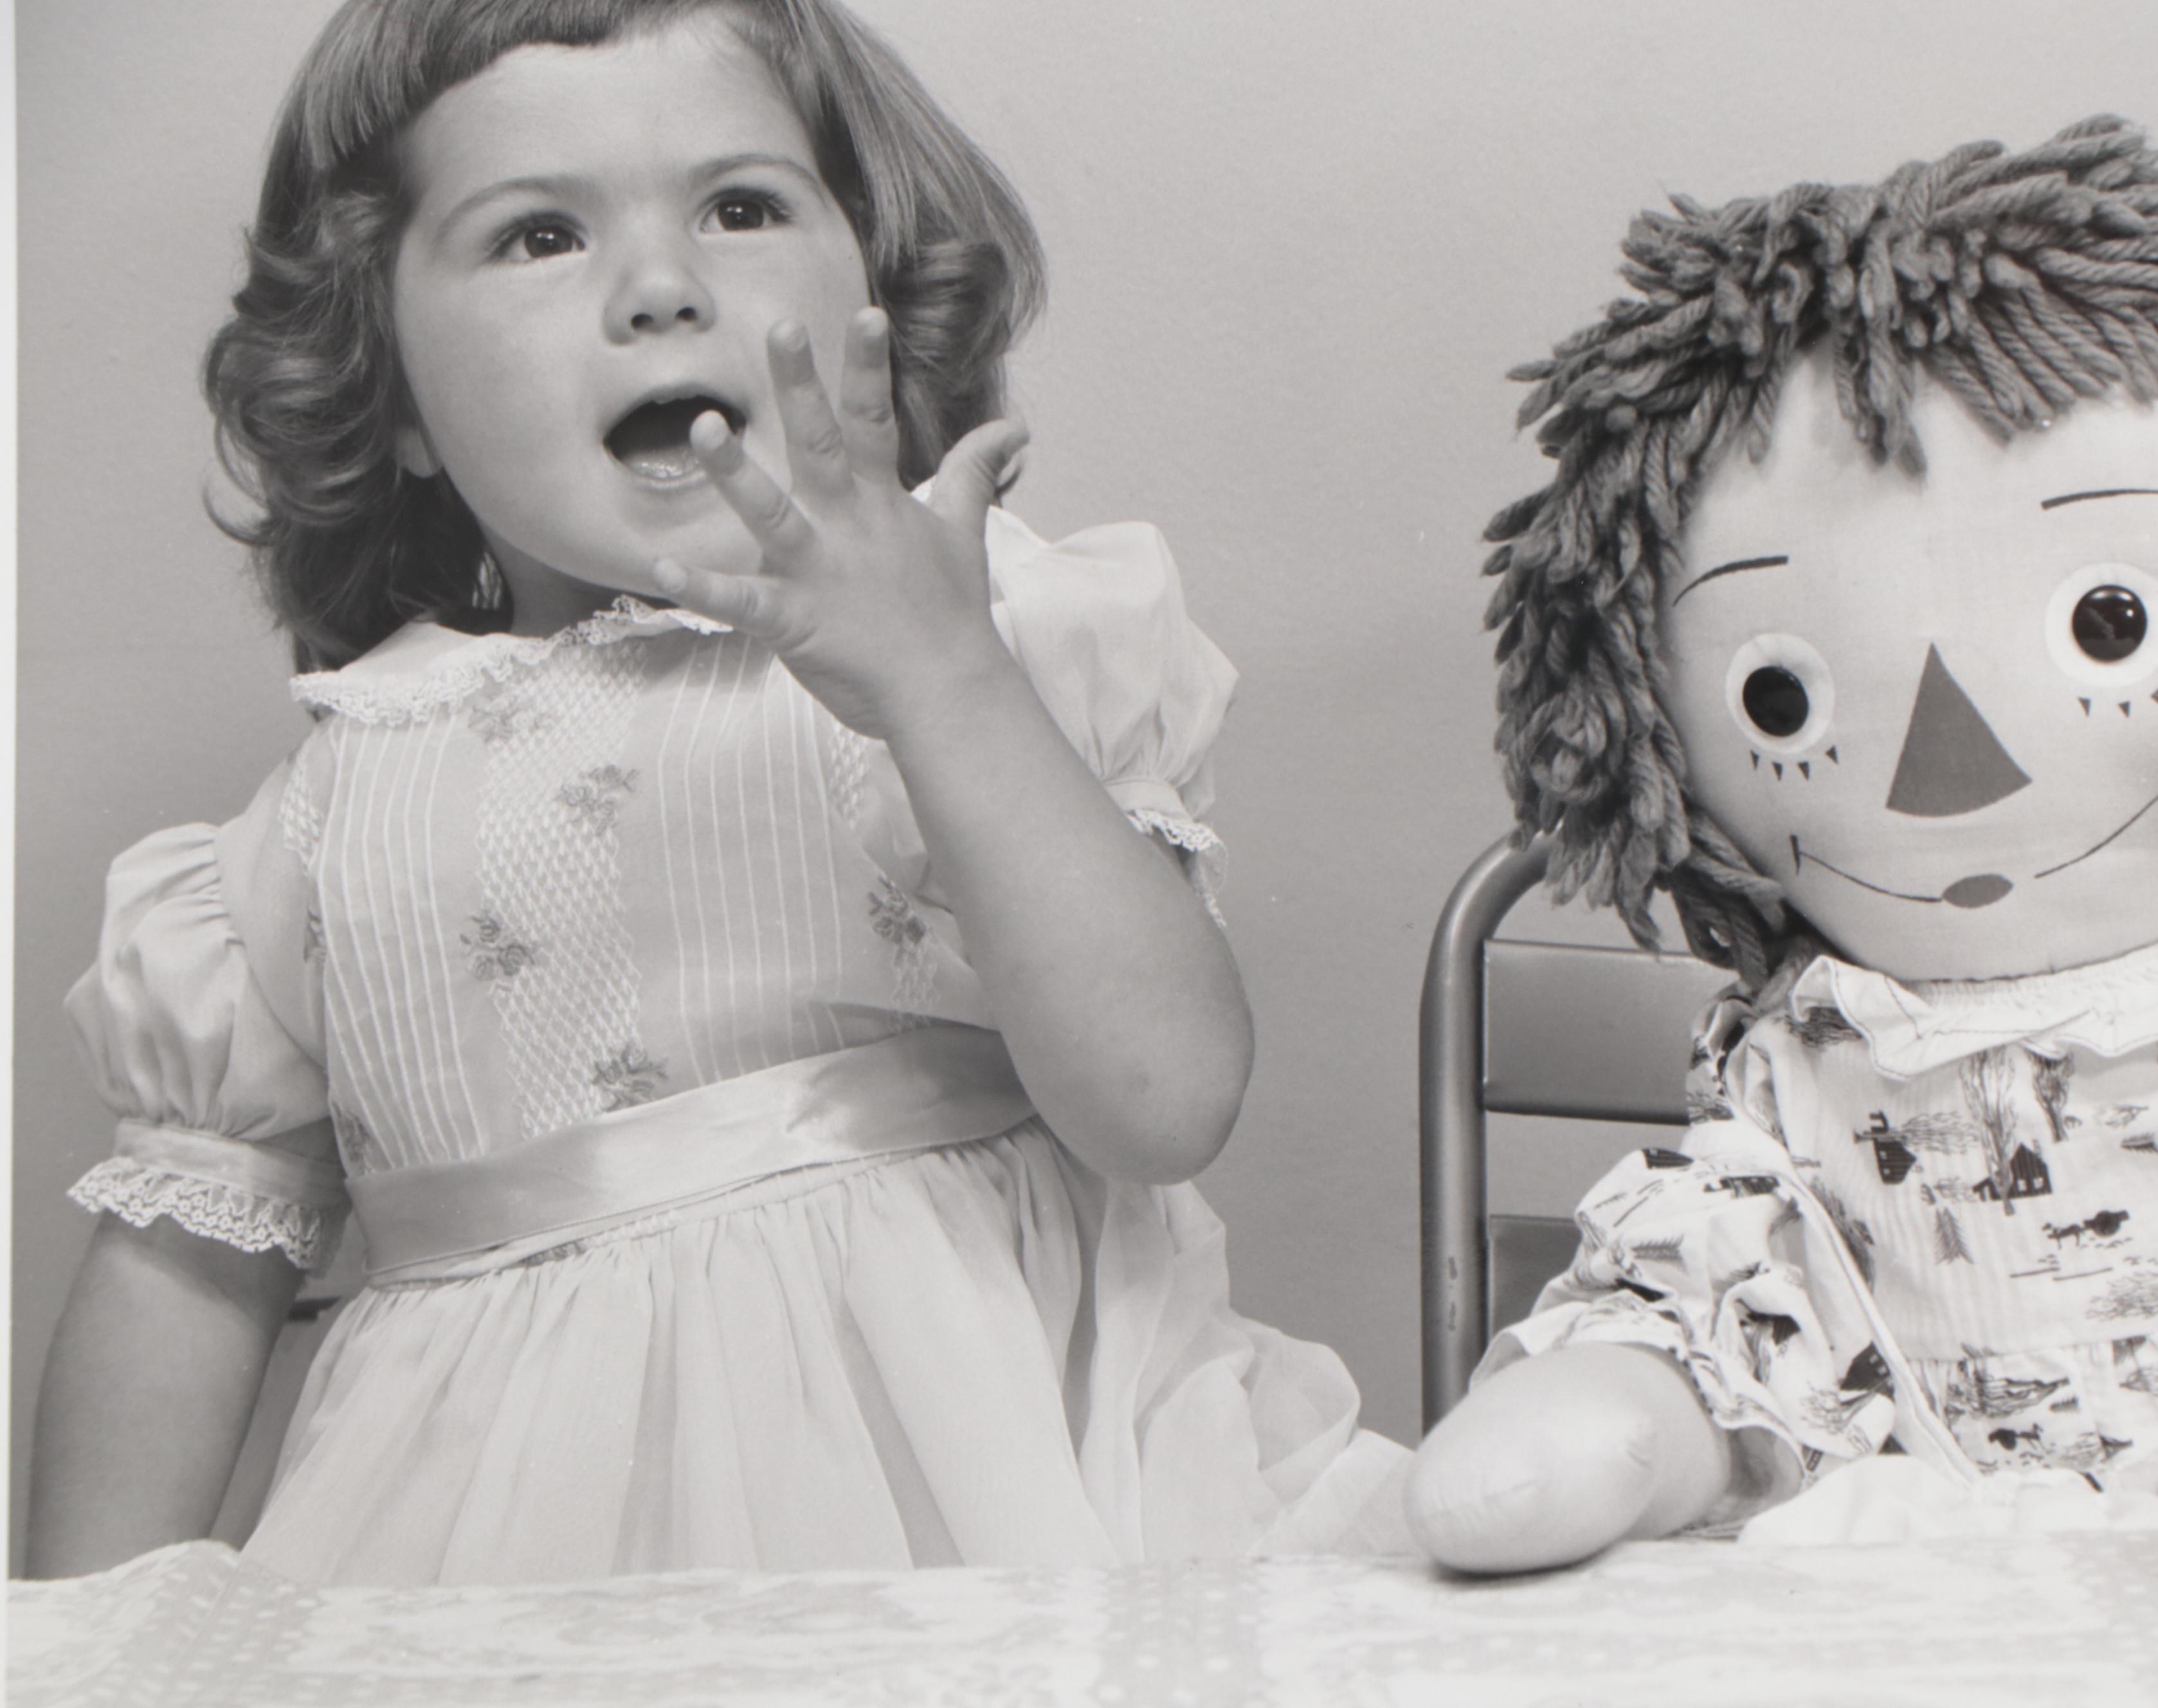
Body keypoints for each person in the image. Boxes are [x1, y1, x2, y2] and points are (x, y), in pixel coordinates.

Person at [26, 0, 1404, 1585]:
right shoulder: (328, 813)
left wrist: (939, 677)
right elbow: (185, 1275)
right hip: (497, 1581)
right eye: (538, 235)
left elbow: (1163, 1100)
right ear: (389, 387)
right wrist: (74, 1643)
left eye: (742, 208)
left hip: (1009, 1524)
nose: (664, 288)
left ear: (871, 290)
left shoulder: (996, 643)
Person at [1407, 116, 2158, 1601]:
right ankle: (1642, 1419)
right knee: (1684, 1357)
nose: (1952, 761)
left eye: (2110, 623)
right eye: (1780, 699)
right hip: (1945, 1563)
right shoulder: (1810, 1041)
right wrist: (1650, 1375)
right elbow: (1756, 1253)